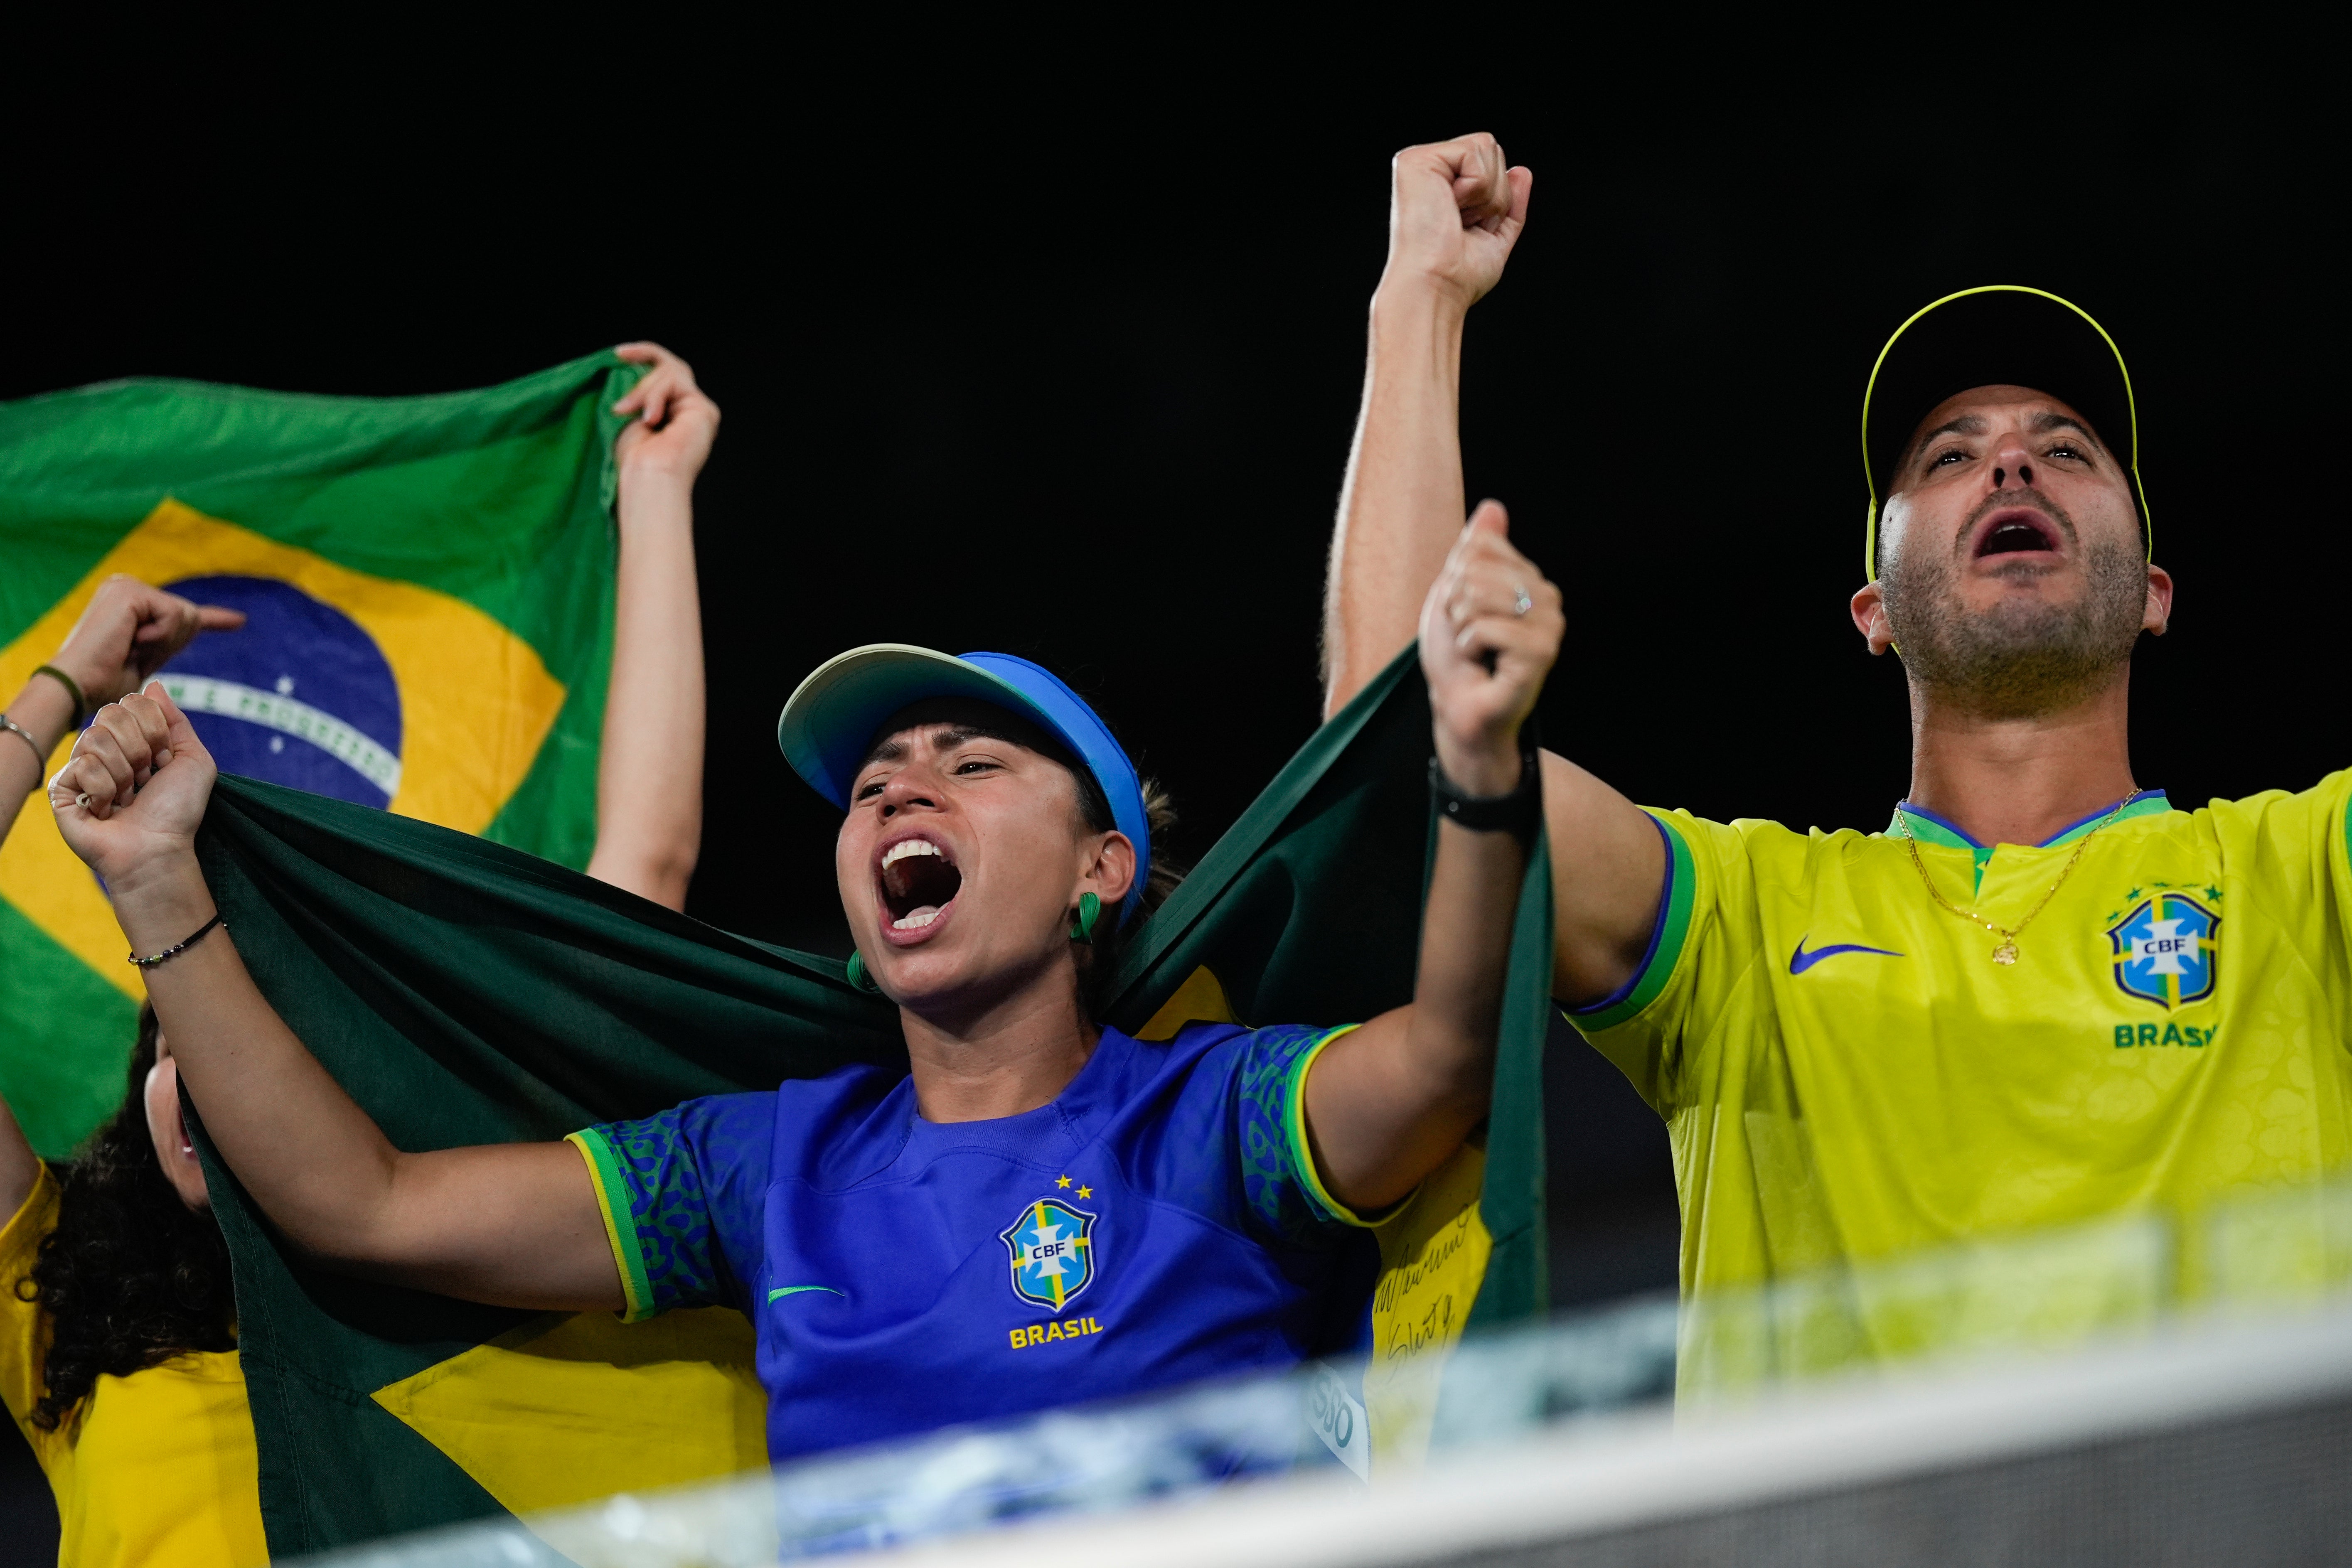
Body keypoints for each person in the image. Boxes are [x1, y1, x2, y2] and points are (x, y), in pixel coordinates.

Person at [47, 490, 1565, 1465]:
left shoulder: (1212, 1115)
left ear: (1101, 872)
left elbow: (1441, 1058)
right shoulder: (766, 1167)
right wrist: (160, 880)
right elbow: (359, 1208)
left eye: (969, 765)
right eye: (872, 789)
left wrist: (1482, 776)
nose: (904, 797)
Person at [1324, 132, 2352, 1391]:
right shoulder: (1742, 924)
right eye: (1946, 456)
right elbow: (1387, 756)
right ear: (1871, 608)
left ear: (2150, 594)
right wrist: (1416, 297)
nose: (2011, 461)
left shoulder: (2303, 874)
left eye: (2068, 449)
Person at [0, 339, 718, 1566]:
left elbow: (637, 883)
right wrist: (65, 680)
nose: (213, 1075)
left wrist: (651, 495)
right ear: (143, 1101)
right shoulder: (66, 1331)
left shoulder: (511, 1279)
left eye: (266, 1033)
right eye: (179, 1042)